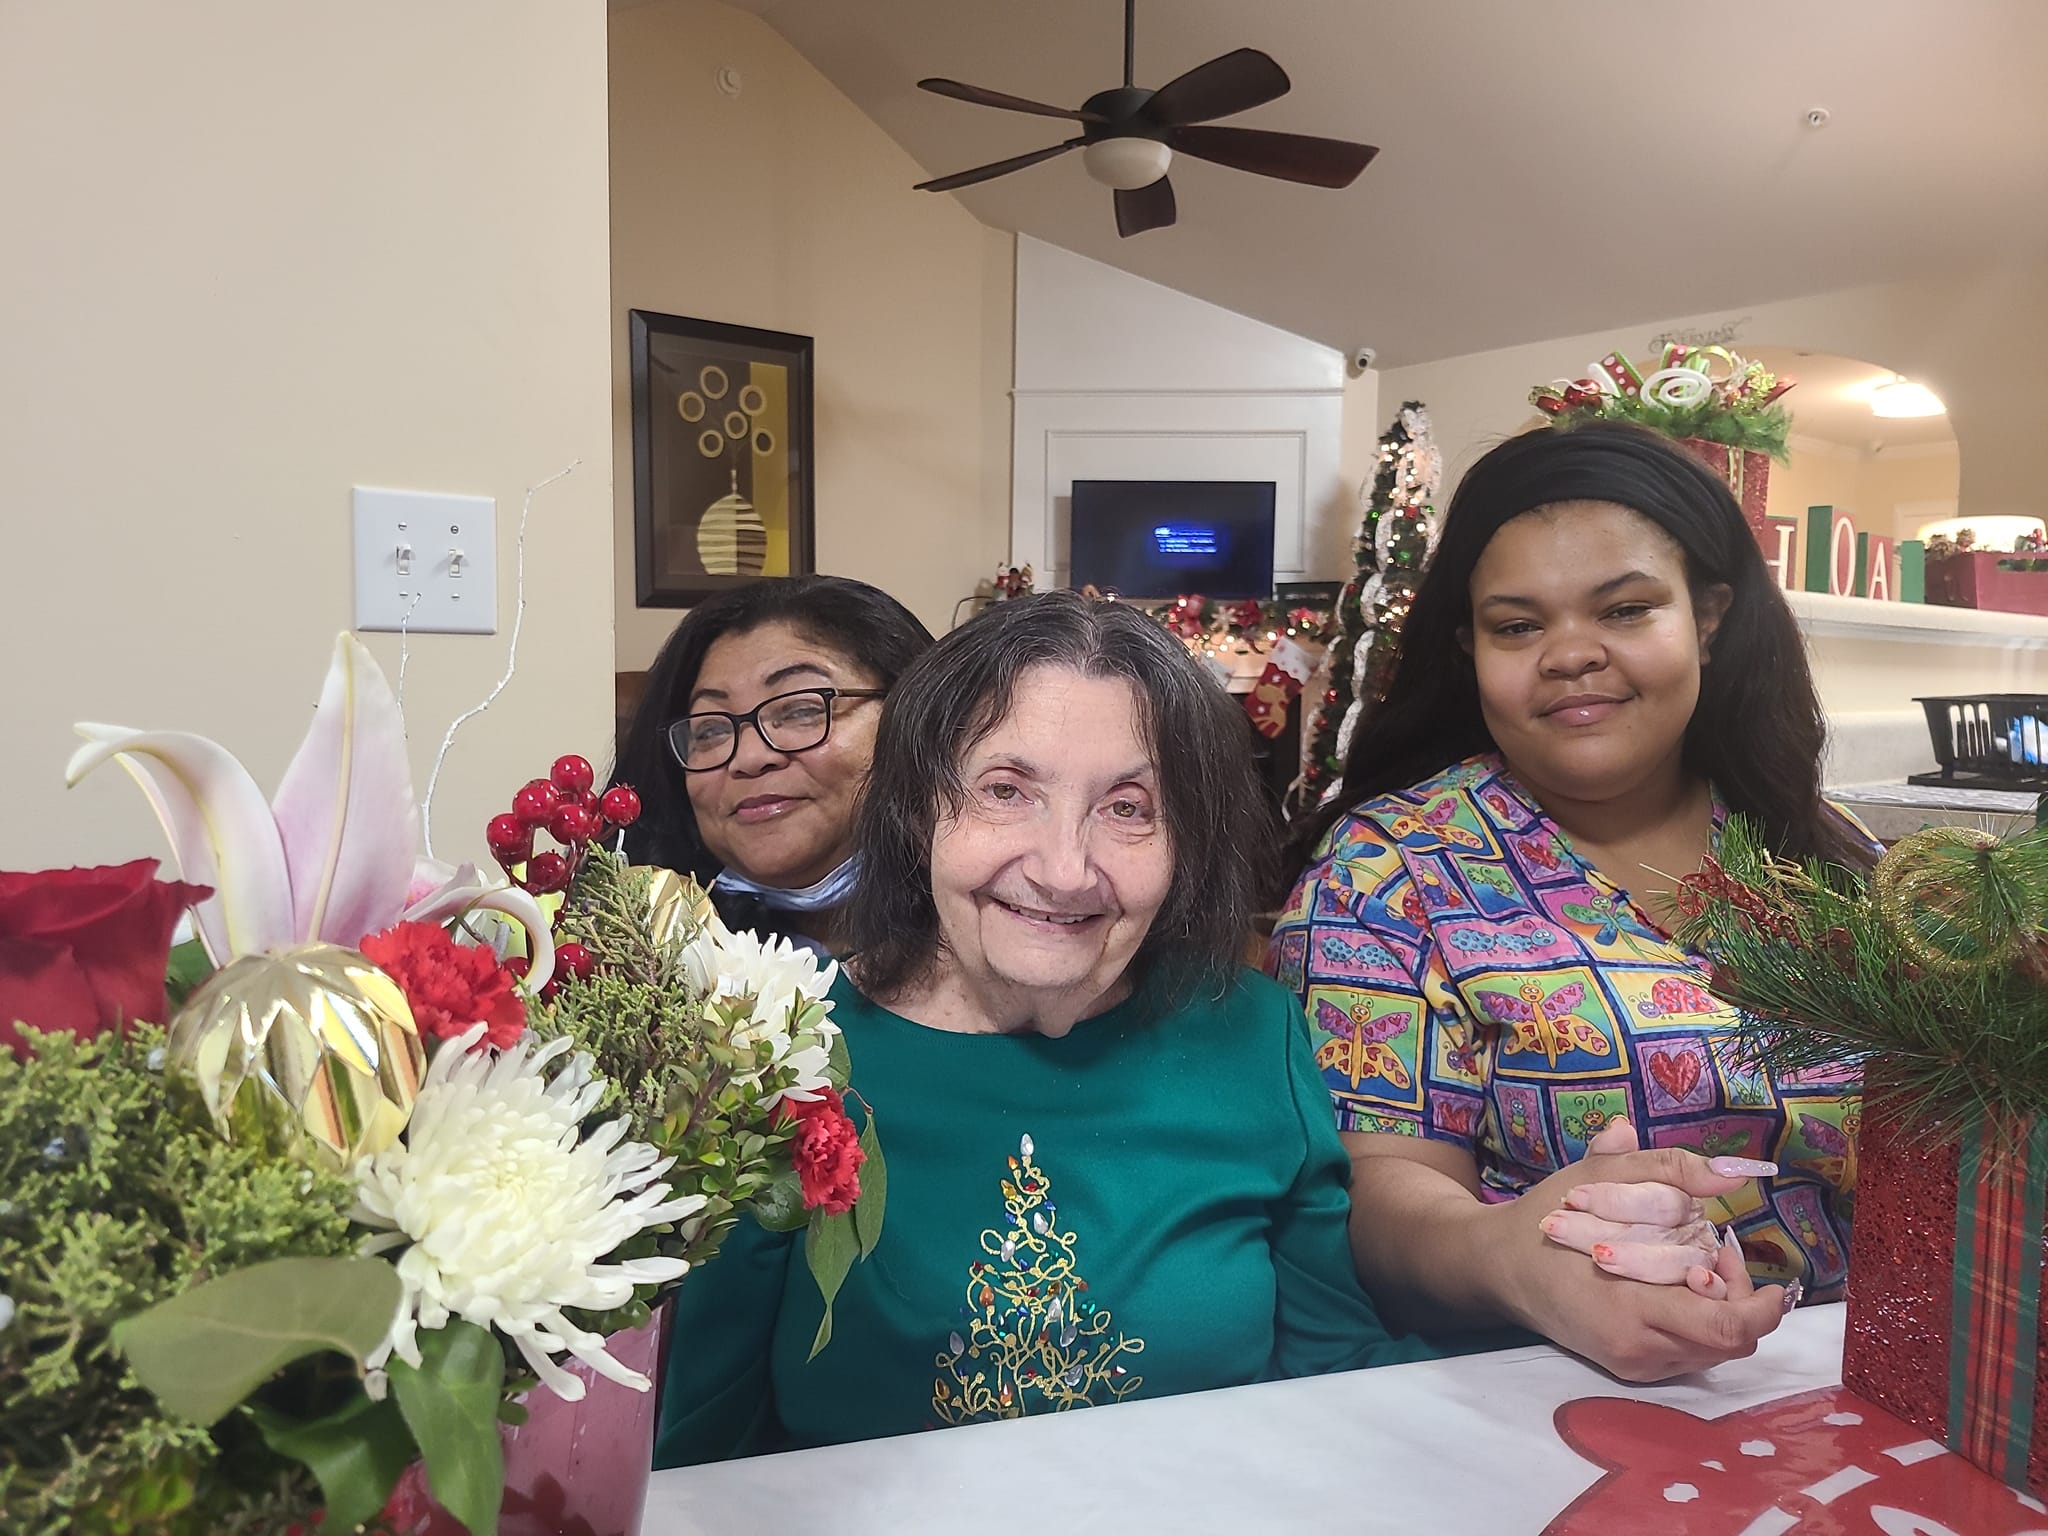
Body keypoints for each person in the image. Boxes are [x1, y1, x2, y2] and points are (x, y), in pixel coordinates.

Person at [656, 591, 1431, 1466]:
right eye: (1005, 791)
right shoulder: (783, 1052)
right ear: (917, 811)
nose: (1064, 870)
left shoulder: (1254, 1036)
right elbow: (702, 1454)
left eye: (1129, 807)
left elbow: (1339, 1377)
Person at [1268, 421, 1879, 1383]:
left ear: (1708, 617)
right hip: (1552, 1400)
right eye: (1518, 626)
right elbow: (1379, 1193)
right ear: (1469, 647)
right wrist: (1516, 1260)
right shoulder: (1389, 872)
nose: (1570, 655)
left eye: (1626, 610)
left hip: (1869, 1382)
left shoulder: (1822, 851)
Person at [610, 575, 933, 955]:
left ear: (913, 714)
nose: (749, 758)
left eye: (801, 710)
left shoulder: (984, 942)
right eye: (711, 730)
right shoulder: (627, 946)